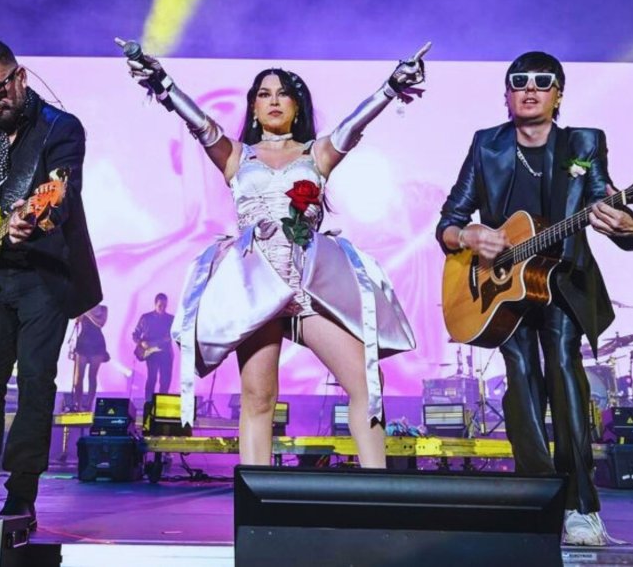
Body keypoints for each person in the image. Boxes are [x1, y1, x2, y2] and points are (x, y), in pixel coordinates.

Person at [117, 38, 424, 467]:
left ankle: (380, 492)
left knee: (366, 384)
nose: (274, 100)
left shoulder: (315, 153)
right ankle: (254, 503)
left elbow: (353, 127)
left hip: (311, 288)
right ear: (254, 107)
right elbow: (199, 125)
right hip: (258, 288)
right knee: (259, 397)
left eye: (283, 93)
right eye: (264, 93)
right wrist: (162, 83)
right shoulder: (236, 156)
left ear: (298, 106)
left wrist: (390, 87)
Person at [436, 51, 633, 546]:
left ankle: (580, 504)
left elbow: (605, 202)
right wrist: (469, 238)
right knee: (522, 380)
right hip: (501, 287)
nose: (530, 88)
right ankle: (539, 494)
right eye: (519, 81)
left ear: (558, 94)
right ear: (506, 95)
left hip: (564, 279)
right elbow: (450, 219)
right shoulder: (487, 145)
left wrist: (627, 224)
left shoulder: (583, 142)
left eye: (543, 82)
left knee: (564, 372)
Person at [0, 39, 101, 531]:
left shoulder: (61, 127)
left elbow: (60, 191)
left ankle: (21, 496)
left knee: (36, 384)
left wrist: (36, 220)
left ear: (19, 77)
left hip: (44, 276)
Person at [132, 293, 175, 403]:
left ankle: (161, 405)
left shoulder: (171, 319)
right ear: (155, 304)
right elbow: (135, 334)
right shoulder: (146, 318)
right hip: (151, 354)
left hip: (165, 353)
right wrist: (141, 343)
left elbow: (176, 335)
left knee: (165, 380)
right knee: (152, 378)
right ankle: (149, 404)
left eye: (165, 305)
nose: (163, 308)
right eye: (160, 305)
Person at [69, 304, 110, 412]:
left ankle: (89, 404)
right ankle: (78, 404)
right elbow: (76, 320)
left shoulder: (103, 309)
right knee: (78, 377)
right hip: (83, 342)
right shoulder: (82, 307)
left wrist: (87, 312)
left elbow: (100, 323)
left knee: (92, 376)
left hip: (97, 344)